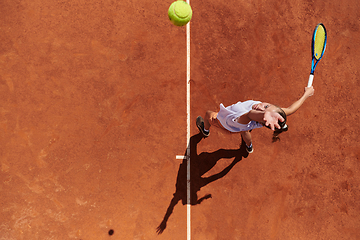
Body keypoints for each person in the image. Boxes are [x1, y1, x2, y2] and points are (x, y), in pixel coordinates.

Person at [196, 86, 315, 153]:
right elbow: (291, 109)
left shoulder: (243, 118)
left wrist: (264, 113)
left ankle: (205, 130)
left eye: (263, 113)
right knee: (244, 132)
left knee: (208, 114)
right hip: (242, 128)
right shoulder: (260, 120)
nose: (261, 108)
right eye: (267, 106)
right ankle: (249, 147)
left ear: (262, 119)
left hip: (224, 125)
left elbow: (250, 114)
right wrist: (306, 95)